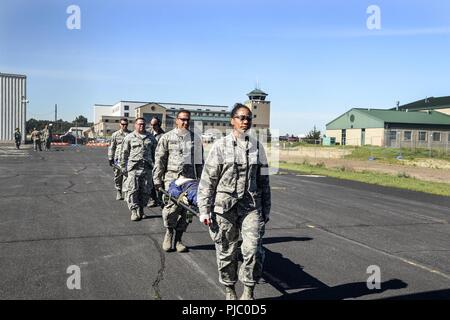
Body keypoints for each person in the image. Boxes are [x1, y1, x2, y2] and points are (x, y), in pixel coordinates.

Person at [197, 103, 271, 300]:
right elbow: (208, 179)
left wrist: (267, 209)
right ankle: (229, 288)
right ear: (233, 121)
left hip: (251, 206)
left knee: (253, 250)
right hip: (224, 207)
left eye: (248, 118)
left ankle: (248, 290)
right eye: (241, 117)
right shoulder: (220, 146)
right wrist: (204, 208)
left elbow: (264, 181)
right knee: (227, 251)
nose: (245, 121)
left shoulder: (257, 147)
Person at [153, 110, 204, 253]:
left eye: (187, 120)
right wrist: (157, 179)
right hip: (172, 180)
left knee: (187, 211)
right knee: (171, 209)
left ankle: (179, 239)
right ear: (176, 120)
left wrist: (203, 182)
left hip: (190, 181)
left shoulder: (195, 139)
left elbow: (200, 162)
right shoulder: (166, 137)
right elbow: (160, 160)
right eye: (182, 119)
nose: (185, 122)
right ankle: (169, 233)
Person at [120, 117, 158, 221]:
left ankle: (141, 209)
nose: (141, 126)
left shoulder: (151, 137)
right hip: (134, 168)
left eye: (143, 124)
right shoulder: (129, 137)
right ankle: (133, 211)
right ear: (135, 125)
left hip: (147, 168)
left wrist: (157, 168)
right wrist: (123, 167)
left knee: (145, 190)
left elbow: (156, 154)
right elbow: (124, 154)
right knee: (133, 190)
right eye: (139, 124)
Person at [108, 118, 131, 200]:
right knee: (118, 176)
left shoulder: (131, 134)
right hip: (118, 159)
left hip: (127, 159)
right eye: (123, 124)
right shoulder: (115, 135)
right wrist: (110, 158)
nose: (124, 126)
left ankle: (125, 193)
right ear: (120, 124)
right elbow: (112, 147)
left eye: (126, 124)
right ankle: (119, 191)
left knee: (127, 176)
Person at [147, 117, 165, 207]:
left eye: (155, 125)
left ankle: (161, 199)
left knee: (160, 181)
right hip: (150, 160)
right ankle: (153, 199)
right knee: (150, 180)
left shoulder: (164, 135)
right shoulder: (148, 133)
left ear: (159, 124)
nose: (152, 126)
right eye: (151, 124)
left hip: (160, 161)